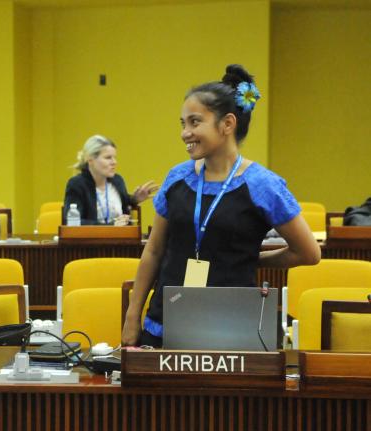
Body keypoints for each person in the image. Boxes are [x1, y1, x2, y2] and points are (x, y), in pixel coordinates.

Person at [121, 65, 321, 348]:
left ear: (227, 124)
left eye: (194, 122)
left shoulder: (263, 185)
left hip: (234, 332)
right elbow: (154, 250)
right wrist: (132, 315)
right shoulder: (177, 178)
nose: (185, 133)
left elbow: (309, 253)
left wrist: (255, 259)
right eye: (182, 123)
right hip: (165, 325)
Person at [63, 134, 158, 225]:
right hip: (90, 241)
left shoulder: (117, 180)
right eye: (108, 158)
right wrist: (110, 226)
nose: (114, 162)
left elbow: (123, 205)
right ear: (90, 159)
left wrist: (134, 199)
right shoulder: (77, 184)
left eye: (114, 157)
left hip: (122, 239)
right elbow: (72, 222)